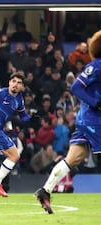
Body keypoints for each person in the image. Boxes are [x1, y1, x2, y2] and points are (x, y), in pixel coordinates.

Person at [34, 30, 101, 214]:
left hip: (86, 120)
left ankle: (45, 190)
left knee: (74, 158)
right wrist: (96, 102)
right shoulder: (97, 66)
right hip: (94, 120)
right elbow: (76, 86)